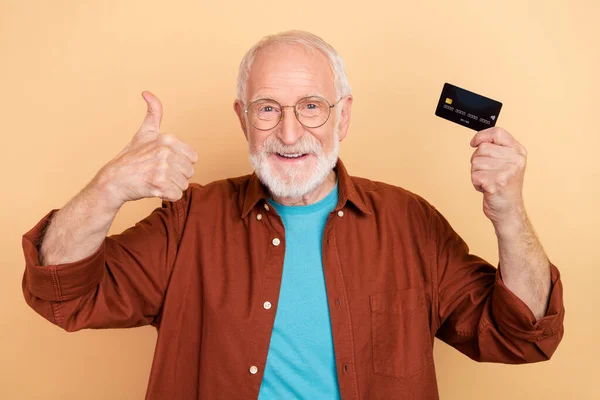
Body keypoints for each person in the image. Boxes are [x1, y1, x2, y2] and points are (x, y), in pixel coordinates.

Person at [21, 30, 564, 400]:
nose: (288, 132)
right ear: (242, 118)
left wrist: (508, 212)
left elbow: (522, 336)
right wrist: (109, 186)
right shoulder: (188, 222)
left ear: (342, 115)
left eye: (310, 105)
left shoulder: (410, 223)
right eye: (267, 108)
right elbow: (60, 292)